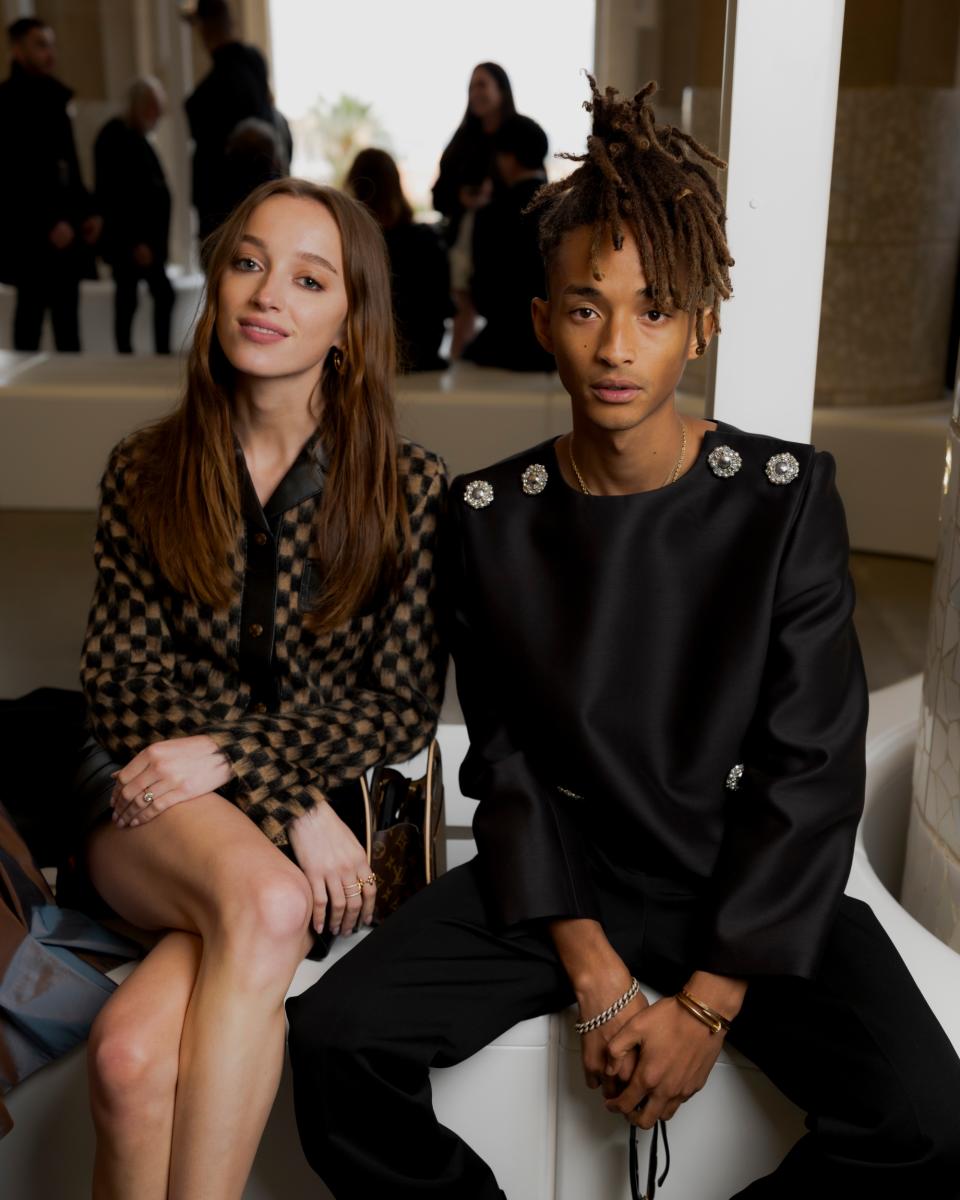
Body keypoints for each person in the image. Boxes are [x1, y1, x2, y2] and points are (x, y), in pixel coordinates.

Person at [286, 79, 960, 1198]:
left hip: (739, 877)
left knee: (933, 1123)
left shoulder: (784, 501)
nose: (617, 345)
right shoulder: (490, 520)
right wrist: (594, 968)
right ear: (543, 320)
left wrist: (707, 1004)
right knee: (335, 1043)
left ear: (701, 325)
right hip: (569, 877)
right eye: (587, 307)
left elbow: (808, 771)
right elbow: (504, 763)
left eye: (655, 310)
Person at [73, 177, 447, 1199]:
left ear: (350, 325)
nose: (265, 293)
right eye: (247, 263)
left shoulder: (408, 489)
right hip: (152, 807)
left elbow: (400, 705)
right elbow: (119, 683)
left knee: (130, 1063)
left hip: (268, 821)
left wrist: (242, 758)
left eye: (307, 277)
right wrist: (288, 796)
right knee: (273, 896)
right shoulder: (144, 469)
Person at [0, 17, 100, 351]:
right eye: (40, 44)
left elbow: (68, 169)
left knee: (68, 329)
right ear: (17, 49)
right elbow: (13, 177)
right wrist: (48, 223)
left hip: (65, 233)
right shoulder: (7, 103)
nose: (49, 52)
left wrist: (85, 213)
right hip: (30, 237)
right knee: (28, 324)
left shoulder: (57, 99)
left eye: (50, 44)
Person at [184, 0, 290, 239]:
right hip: (266, 200)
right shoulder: (254, 64)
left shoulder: (202, 100)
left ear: (203, 29)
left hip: (226, 215)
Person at [432, 62, 516, 358]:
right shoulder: (462, 140)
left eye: (482, 84)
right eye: (471, 86)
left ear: (501, 90)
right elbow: (438, 194)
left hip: (504, 240)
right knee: (461, 306)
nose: (475, 93)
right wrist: (463, 197)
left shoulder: (518, 136)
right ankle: (458, 365)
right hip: (464, 239)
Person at [346, 147, 452, 372]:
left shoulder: (350, 242)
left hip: (367, 355)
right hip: (422, 354)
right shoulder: (426, 240)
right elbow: (442, 304)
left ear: (354, 183)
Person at [463, 114, 554, 372]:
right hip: (552, 350)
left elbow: (483, 296)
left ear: (508, 157)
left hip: (501, 346)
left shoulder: (490, 215)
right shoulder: (567, 211)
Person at [94, 77, 174, 355]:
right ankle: (126, 353)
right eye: (154, 109)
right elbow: (116, 197)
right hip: (131, 242)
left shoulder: (137, 140)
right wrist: (135, 242)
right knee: (131, 297)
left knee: (155, 295)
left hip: (145, 242)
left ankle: (154, 352)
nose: (157, 117)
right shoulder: (116, 138)